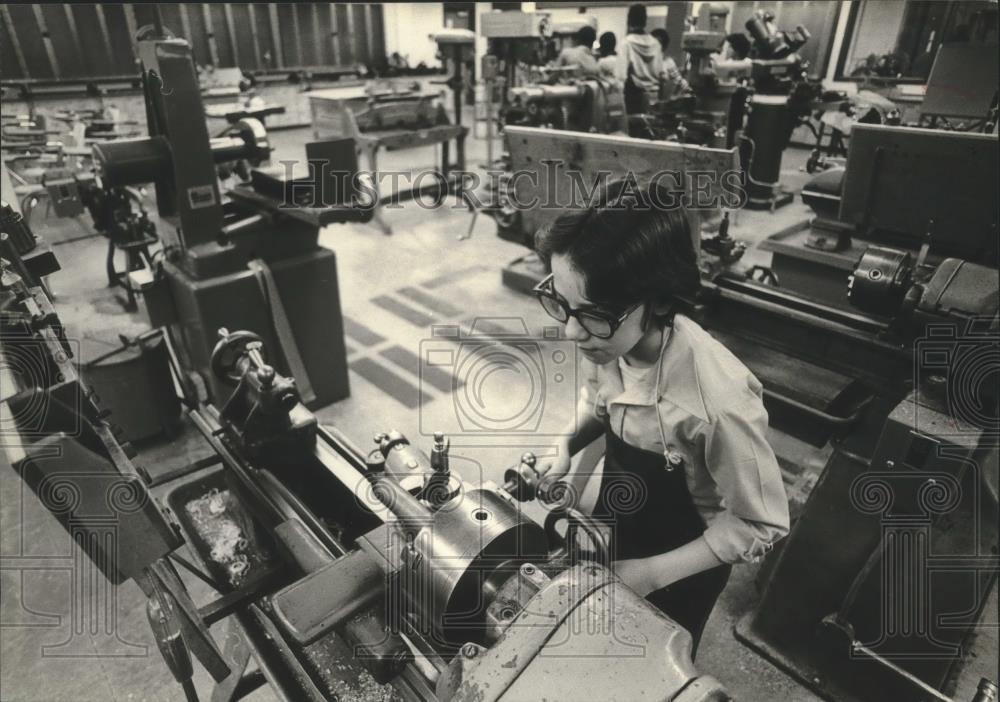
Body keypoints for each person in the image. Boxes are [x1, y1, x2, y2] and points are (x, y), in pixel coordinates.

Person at [533, 180, 790, 655]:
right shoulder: (611, 338)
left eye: (590, 315)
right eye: (563, 305)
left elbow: (760, 525)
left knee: (658, 655)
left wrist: (652, 574)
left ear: (661, 302)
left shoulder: (717, 405)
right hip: (620, 519)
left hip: (685, 556)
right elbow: (601, 402)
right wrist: (563, 446)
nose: (571, 332)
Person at [620, 4, 664, 112]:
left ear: (629, 20)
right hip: (655, 95)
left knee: (634, 126)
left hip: (633, 97)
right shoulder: (656, 44)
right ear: (645, 21)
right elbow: (662, 74)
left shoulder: (626, 43)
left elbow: (621, 75)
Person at [650, 28, 689, 98]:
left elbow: (681, 83)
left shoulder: (668, 62)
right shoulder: (643, 60)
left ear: (664, 47)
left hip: (660, 101)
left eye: (658, 44)